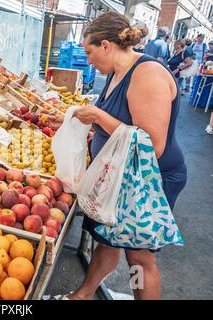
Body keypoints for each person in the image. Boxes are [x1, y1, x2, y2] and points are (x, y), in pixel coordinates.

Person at [64, 11, 187, 300]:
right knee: (108, 240)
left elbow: (151, 143)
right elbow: (121, 125)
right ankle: (83, 294)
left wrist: (98, 116)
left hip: (150, 181)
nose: (89, 60)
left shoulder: (148, 74)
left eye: (90, 52)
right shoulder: (117, 73)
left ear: (106, 45)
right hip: (120, 176)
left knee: (139, 257)